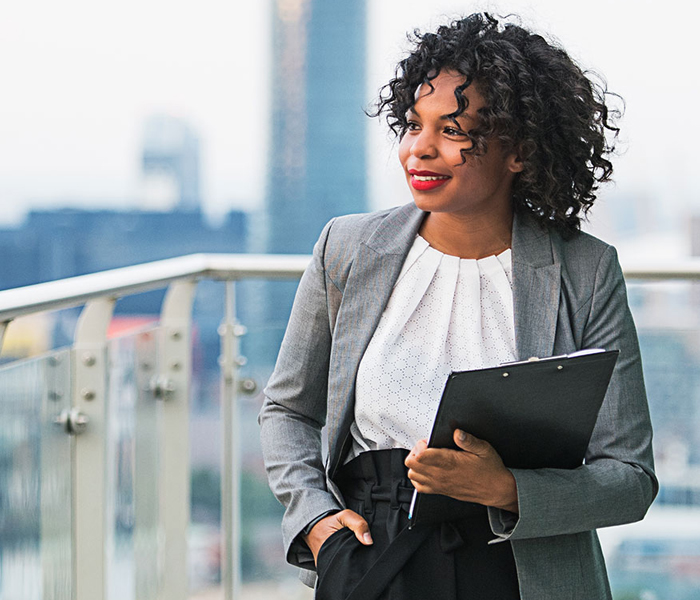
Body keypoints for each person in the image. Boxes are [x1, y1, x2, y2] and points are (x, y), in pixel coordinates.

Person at [259, 13, 657, 600]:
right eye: (414, 125)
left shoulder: (586, 271)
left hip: (522, 569)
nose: (418, 150)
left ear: (519, 151)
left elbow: (630, 477)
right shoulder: (345, 250)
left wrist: (506, 489)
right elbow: (287, 411)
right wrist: (317, 524)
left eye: (451, 130)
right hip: (371, 558)